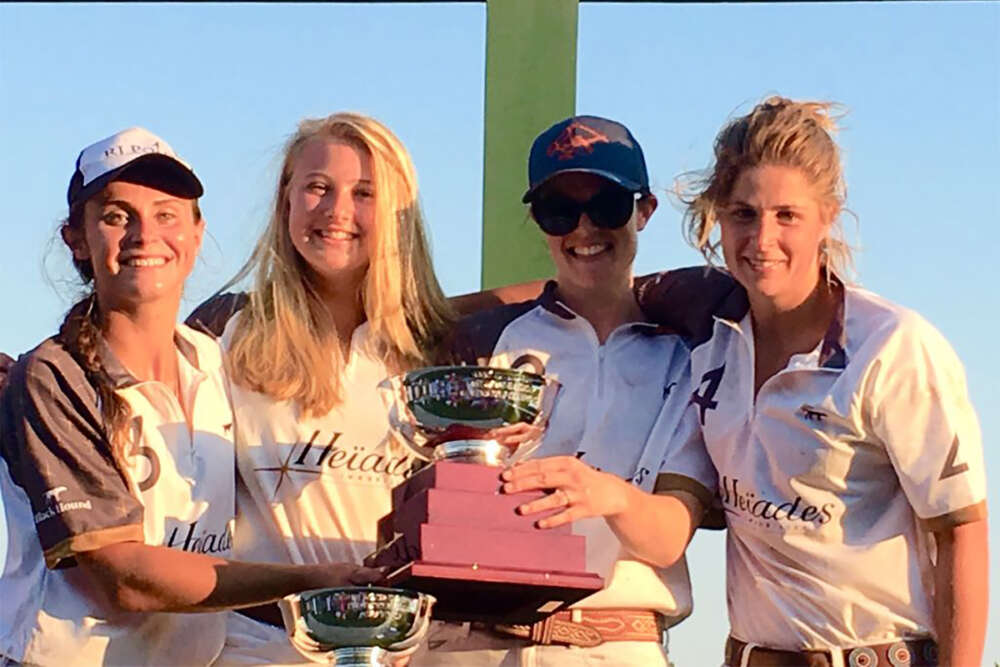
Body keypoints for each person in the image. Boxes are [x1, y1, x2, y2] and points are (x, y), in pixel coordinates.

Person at [505, 97, 989, 667]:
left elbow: (961, 531)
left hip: (875, 653)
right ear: (716, 216)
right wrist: (439, 308)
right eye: (742, 214)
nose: (762, 240)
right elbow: (579, 287)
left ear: (827, 216)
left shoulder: (893, 346)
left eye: (787, 215)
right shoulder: (708, 341)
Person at [0, 128, 381, 666]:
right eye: (116, 216)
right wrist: (316, 580)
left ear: (198, 233)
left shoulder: (215, 354)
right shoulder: (54, 376)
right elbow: (127, 579)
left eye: (166, 214)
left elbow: (396, 313)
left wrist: (539, 297)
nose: (143, 235)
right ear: (77, 240)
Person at [184, 112, 473, 665]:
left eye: (364, 193)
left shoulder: (440, 355)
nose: (336, 211)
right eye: (318, 187)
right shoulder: (226, 331)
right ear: (285, 200)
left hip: (406, 649)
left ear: (398, 216)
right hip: (256, 646)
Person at [417, 116, 705, 667]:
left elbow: (669, 537)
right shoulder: (485, 342)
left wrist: (609, 495)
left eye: (607, 206)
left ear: (644, 212)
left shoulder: (688, 358)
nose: (583, 229)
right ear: (537, 220)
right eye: (559, 211)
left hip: (618, 641)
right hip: (476, 641)